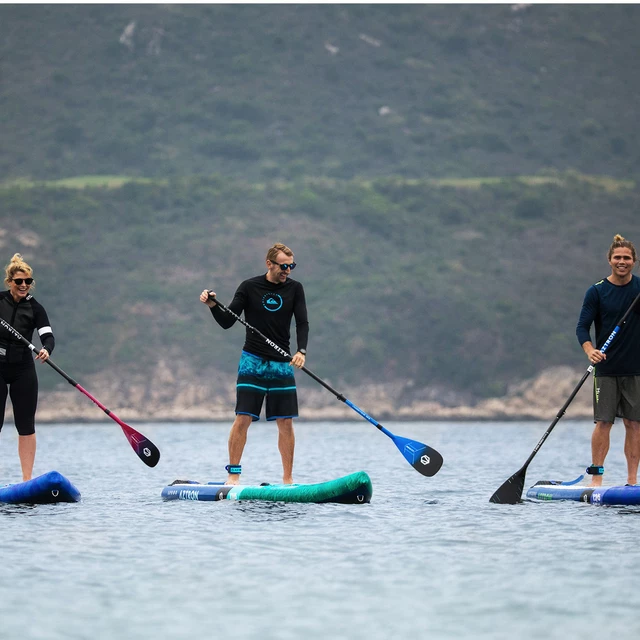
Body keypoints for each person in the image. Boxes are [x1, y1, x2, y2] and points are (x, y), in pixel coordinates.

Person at [200, 242, 309, 485]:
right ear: (269, 263)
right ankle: (233, 475)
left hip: (282, 363)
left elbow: (302, 322)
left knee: (286, 422)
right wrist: (212, 306)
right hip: (253, 363)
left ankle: (288, 480)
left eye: (291, 266)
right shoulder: (249, 287)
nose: (288, 270)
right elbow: (228, 321)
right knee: (243, 418)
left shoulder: (295, 289)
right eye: (283, 266)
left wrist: (301, 351)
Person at [576, 234, 640, 487]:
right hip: (606, 369)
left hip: (636, 369)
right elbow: (582, 327)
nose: (622, 261)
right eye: (618, 257)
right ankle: (597, 477)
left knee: (634, 424)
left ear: (634, 261)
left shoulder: (639, 290)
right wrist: (590, 349)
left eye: (627, 258)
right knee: (603, 423)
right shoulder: (597, 291)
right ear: (610, 260)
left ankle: (632, 481)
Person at [0, 253, 54, 481]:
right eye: (19, 281)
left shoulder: (35, 308)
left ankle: (26, 480)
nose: (24, 285)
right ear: (9, 282)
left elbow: (48, 336)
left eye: (28, 282)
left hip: (23, 368)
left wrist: (46, 350)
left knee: (26, 425)